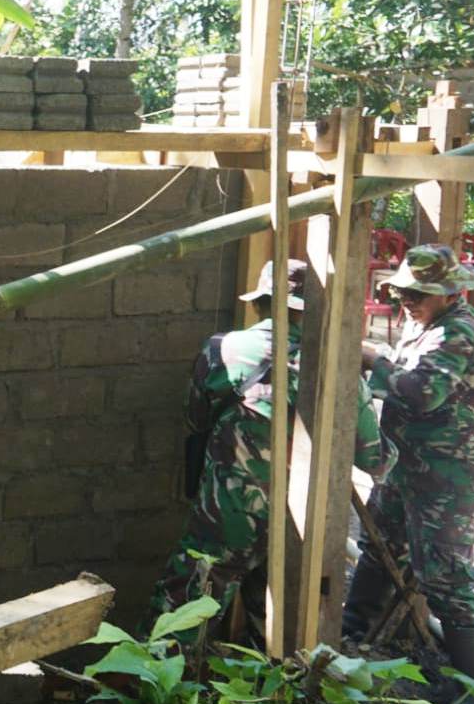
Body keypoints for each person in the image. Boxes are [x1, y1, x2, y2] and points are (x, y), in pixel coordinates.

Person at [146, 259, 388, 639]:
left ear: (260, 304)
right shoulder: (341, 370)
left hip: (227, 517)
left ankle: (163, 674)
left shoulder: (222, 350)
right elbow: (374, 459)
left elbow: (195, 418)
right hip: (300, 524)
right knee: (281, 629)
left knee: (182, 614)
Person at [348, 244, 474, 704]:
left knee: (445, 577)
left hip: (447, 477)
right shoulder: (425, 323)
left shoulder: (458, 333)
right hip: (408, 465)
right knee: (379, 547)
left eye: (418, 294)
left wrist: (372, 359)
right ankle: (351, 638)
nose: (407, 301)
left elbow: (422, 393)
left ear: (450, 293)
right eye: (403, 292)